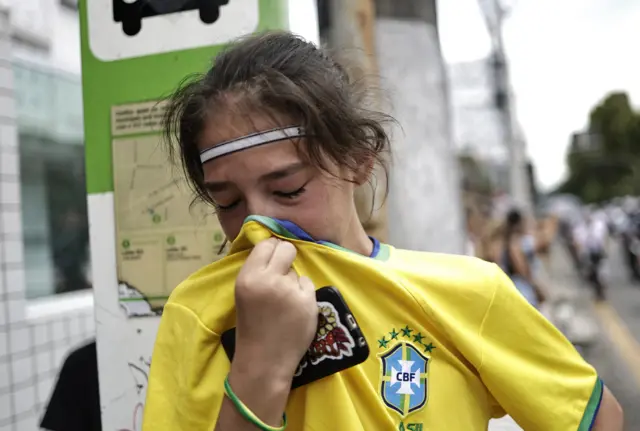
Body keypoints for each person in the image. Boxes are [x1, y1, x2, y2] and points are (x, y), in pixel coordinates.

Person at [143, 31, 623, 431]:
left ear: (358, 160)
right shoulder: (200, 316)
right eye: (227, 202)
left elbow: (596, 418)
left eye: (288, 189)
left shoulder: (468, 292)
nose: (258, 229)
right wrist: (259, 369)